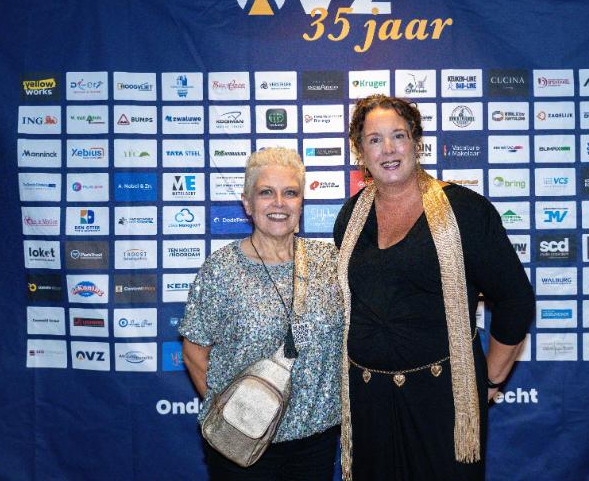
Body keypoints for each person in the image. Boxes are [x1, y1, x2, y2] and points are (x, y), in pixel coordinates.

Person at [333, 95, 535, 481]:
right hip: (368, 403)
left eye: (398, 136)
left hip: (443, 402)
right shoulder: (350, 217)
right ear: (360, 151)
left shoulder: (465, 211)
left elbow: (516, 300)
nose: (388, 149)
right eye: (374, 139)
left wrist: (490, 380)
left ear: (416, 142)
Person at [180, 147, 343, 481]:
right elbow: (194, 352)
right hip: (240, 444)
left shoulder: (330, 263)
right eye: (266, 192)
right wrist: (235, 414)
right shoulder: (221, 270)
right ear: (247, 203)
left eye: (290, 193)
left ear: (301, 203)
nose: (279, 203)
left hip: (316, 443)